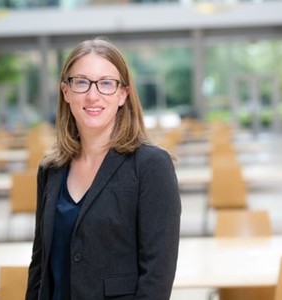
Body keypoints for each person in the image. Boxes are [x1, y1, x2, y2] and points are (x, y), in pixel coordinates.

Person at [26, 37, 181, 300]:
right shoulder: (50, 169)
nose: (92, 95)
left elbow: (156, 277)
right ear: (66, 91)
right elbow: (39, 265)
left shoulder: (151, 166)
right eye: (81, 82)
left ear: (123, 94)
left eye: (106, 83)